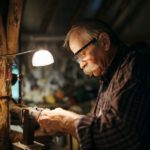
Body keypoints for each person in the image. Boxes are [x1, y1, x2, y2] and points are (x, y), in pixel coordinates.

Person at [38, 19, 150, 150]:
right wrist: (64, 124)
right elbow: (99, 122)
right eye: (77, 58)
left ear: (104, 42)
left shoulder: (135, 65)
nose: (81, 64)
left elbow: (119, 135)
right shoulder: (108, 76)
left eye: (82, 54)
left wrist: (66, 122)